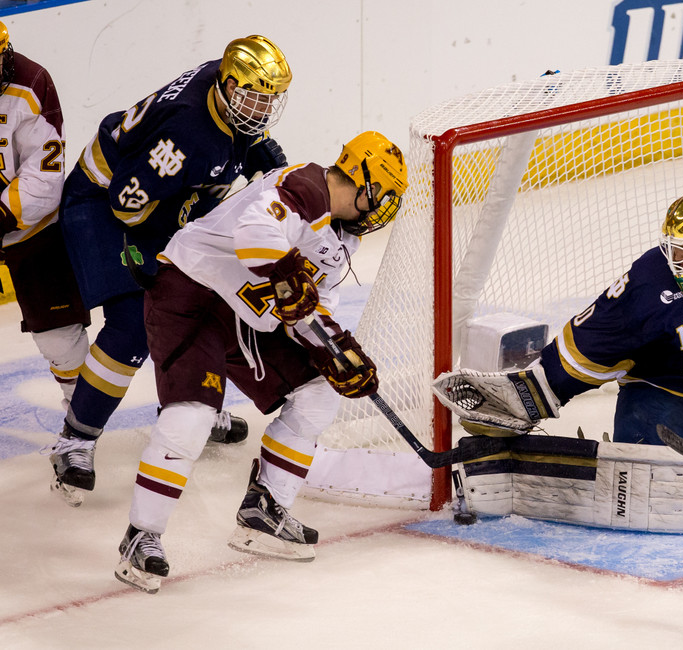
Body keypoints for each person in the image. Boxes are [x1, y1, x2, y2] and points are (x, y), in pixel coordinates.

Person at [113, 131, 408, 594]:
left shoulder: (343, 241)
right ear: (365, 180)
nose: (385, 207)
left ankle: (264, 511)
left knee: (318, 395)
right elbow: (255, 237)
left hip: (248, 316)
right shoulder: (307, 188)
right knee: (191, 417)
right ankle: (141, 537)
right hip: (193, 294)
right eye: (386, 195)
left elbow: (310, 306)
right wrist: (290, 280)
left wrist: (334, 348)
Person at [51, 35, 293, 506]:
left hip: (154, 200)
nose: (259, 111)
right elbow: (127, 202)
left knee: (206, 297)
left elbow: (230, 138)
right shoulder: (189, 136)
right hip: (103, 203)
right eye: (252, 99)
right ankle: (75, 439)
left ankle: (186, 407)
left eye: (268, 102)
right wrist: (158, 252)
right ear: (227, 85)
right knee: (132, 325)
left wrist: (254, 144)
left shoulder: (220, 91)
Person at [434, 187, 683, 450]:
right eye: (675, 249)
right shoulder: (650, 283)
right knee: (652, 476)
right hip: (682, 394)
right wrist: (527, 396)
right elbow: (589, 345)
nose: (679, 261)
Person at [0, 20, 90, 413]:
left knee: (59, 336)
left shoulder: (31, 81)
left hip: (30, 230)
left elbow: (44, 175)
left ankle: (81, 421)